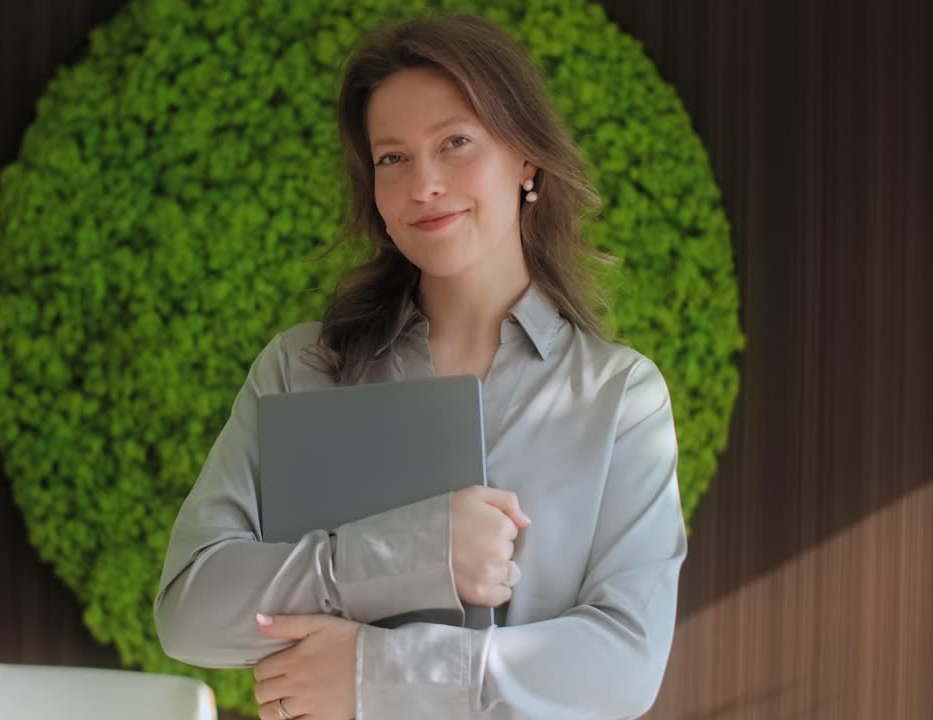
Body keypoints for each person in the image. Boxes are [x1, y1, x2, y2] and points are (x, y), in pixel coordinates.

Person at [154, 12, 687, 720]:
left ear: (527, 158)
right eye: (392, 158)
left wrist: (376, 673)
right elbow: (189, 609)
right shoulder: (301, 367)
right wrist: (409, 555)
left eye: (456, 143)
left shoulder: (620, 397)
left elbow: (624, 665)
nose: (424, 185)